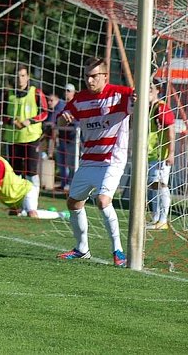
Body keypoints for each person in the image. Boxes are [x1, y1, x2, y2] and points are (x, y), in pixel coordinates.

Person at [56, 57, 134, 268]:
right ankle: (82, 249)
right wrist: (63, 119)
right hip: (89, 160)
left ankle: (118, 250)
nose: (89, 81)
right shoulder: (79, 99)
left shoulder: (120, 94)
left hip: (112, 160)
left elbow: (139, 102)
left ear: (105, 77)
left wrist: (144, 97)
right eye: (87, 76)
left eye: (94, 76)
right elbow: (63, 118)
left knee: (102, 201)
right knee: (73, 202)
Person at [0, 140, 65, 219]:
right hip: (15, 199)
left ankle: (62, 214)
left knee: (32, 214)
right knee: (14, 214)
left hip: (25, 191)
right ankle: (45, 212)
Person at [2, 65, 48, 198]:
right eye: (17, 76)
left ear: (27, 77)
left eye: (22, 76)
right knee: (15, 173)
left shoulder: (36, 92)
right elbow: (1, 114)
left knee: (31, 172)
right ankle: (17, 204)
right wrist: (12, 121)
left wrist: (30, 121)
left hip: (31, 138)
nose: (20, 79)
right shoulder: (8, 94)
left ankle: (31, 205)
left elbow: (45, 113)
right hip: (13, 139)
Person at [147, 80, 175, 230]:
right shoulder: (149, 108)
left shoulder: (161, 108)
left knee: (161, 185)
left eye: (150, 88)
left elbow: (171, 129)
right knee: (154, 186)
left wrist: (171, 153)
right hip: (151, 155)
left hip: (160, 155)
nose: (148, 91)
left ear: (158, 90)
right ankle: (156, 218)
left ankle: (163, 220)